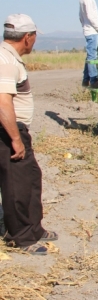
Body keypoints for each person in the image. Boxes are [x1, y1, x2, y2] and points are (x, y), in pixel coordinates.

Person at [0, 14, 57, 255]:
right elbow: (2, 102)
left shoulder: (8, 57)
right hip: (8, 132)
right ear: (27, 37)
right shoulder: (7, 61)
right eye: (34, 38)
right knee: (17, 185)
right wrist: (15, 138)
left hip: (16, 130)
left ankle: (34, 227)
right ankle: (21, 238)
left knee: (32, 177)